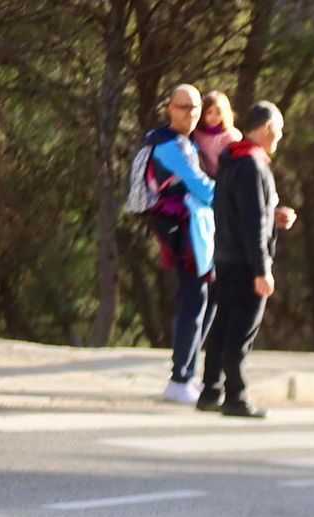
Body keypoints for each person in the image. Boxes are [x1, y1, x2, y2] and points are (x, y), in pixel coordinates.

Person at [199, 102, 294, 419]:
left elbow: (241, 211)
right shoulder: (252, 164)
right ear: (266, 128)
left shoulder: (232, 159)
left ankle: (210, 390)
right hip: (246, 262)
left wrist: (273, 217)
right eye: (279, 129)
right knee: (241, 330)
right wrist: (262, 269)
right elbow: (252, 222)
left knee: (223, 324)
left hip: (226, 256)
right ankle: (236, 396)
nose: (280, 136)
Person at [143, 84, 216, 404]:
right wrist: (237, 195)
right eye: (184, 107)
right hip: (182, 232)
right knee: (194, 300)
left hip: (195, 231)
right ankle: (179, 378)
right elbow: (203, 189)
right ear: (170, 109)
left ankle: (187, 373)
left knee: (206, 299)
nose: (191, 113)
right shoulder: (170, 146)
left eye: (196, 107)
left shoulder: (186, 143)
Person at [193, 90, 241, 177]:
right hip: (202, 176)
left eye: (218, 113)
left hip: (225, 178)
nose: (213, 117)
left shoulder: (230, 136)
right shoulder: (196, 133)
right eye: (209, 112)